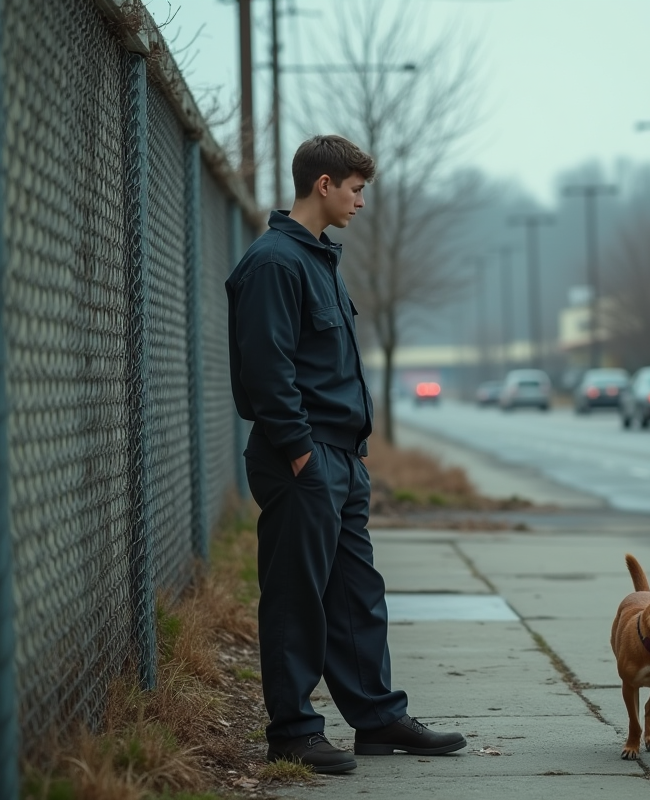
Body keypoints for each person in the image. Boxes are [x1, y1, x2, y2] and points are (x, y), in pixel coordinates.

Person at [226, 135, 466, 773]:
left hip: (340, 459)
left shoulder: (318, 259)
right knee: (295, 596)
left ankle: (378, 717)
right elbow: (267, 369)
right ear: (324, 185)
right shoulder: (276, 262)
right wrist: (302, 452)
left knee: (357, 593)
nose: (362, 203)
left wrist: (347, 458)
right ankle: (294, 731)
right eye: (356, 190)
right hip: (300, 459)